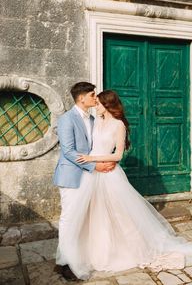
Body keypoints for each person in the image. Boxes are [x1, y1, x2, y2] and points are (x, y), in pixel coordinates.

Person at [70, 89, 192, 280]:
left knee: (119, 213)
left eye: (99, 103)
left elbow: (117, 155)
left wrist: (93, 158)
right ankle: (95, 252)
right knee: (95, 214)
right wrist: (91, 162)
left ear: (107, 105)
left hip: (110, 174)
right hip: (94, 173)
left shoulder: (119, 125)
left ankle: (127, 250)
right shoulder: (96, 122)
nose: (96, 106)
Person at [53, 82, 116, 281]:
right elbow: (69, 151)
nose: (95, 98)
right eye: (92, 95)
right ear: (81, 98)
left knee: (82, 220)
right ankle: (65, 263)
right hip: (72, 176)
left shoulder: (91, 118)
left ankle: (77, 257)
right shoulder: (66, 119)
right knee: (69, 219)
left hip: (90, 179)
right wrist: (94, 166)